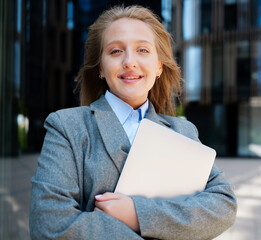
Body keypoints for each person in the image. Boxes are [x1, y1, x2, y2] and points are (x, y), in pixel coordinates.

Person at [29, 5, 237, 240]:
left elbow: (223, 203)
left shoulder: (183, 131)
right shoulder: (67, 127)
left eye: (143, 50)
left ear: (159, 66)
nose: (130, 61)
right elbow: (49, 224)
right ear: (100, 68)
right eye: (116, 51)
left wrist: (137, 214)